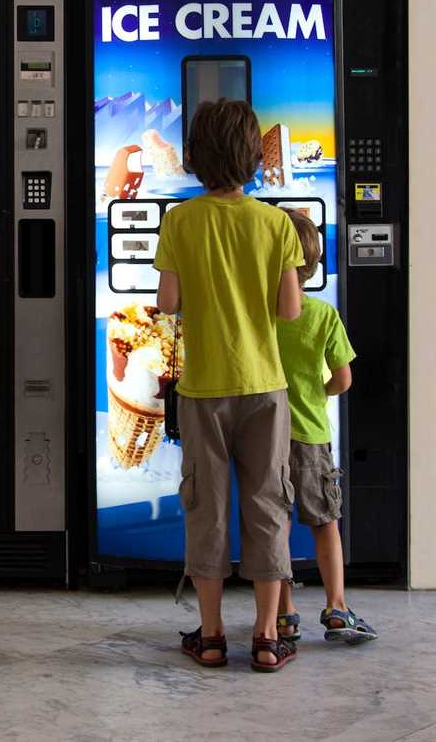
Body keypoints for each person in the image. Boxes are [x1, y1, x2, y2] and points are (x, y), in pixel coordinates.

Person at [153, 98, 304, 673]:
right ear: (251, 157)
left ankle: (212, 636)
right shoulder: (274, 224)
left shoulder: (180, 220)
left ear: (194, 157)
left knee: (206, 507)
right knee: (268, 504)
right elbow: (289, 310)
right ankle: (267, 637)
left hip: (203, 389)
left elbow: (168, 302)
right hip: (265, 385)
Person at [275, 209, 378, 645]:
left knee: (273, 527)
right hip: (311, 435)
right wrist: (317, 392)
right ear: (313, 263)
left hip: (266, 437)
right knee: (325, 524)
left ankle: (284, 614)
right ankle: (337, 607)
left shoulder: (260, 315)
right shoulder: (322, 315)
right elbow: (343, 379)